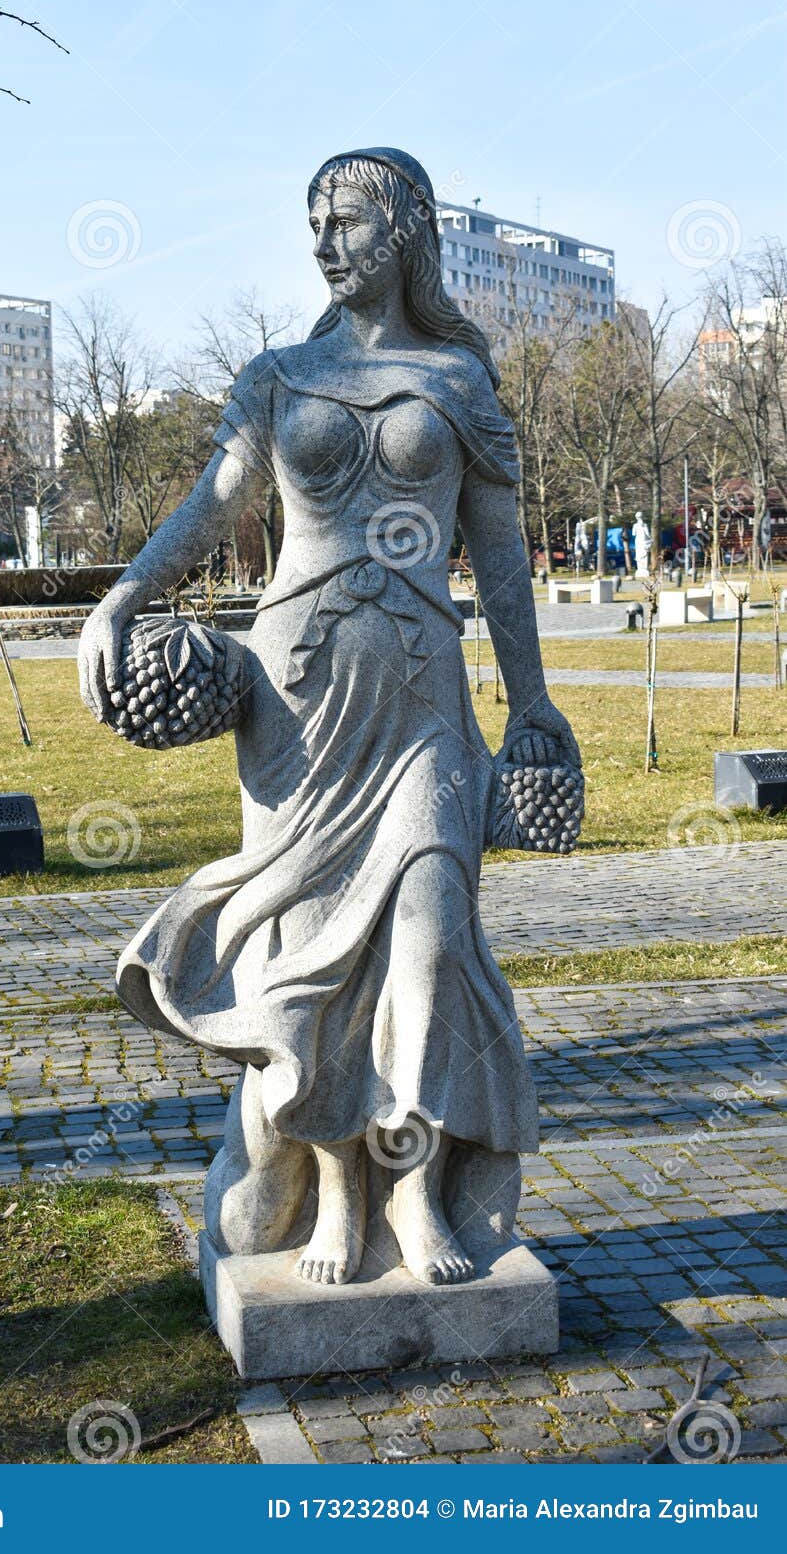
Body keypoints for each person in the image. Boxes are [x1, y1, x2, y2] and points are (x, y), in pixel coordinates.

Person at [79, 148, 579, 1288]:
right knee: (304, 963)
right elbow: (208, 514)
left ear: (402, 230)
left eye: (345, 219)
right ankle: (339, 1198)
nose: (323, 241)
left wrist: (533, 699)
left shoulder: (457, 382)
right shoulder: (277, 375)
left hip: (421, 700)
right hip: (297, 703)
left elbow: (497, 555)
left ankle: (415, 1187)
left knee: (433, 933)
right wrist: (123, 596)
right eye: (312, 221)